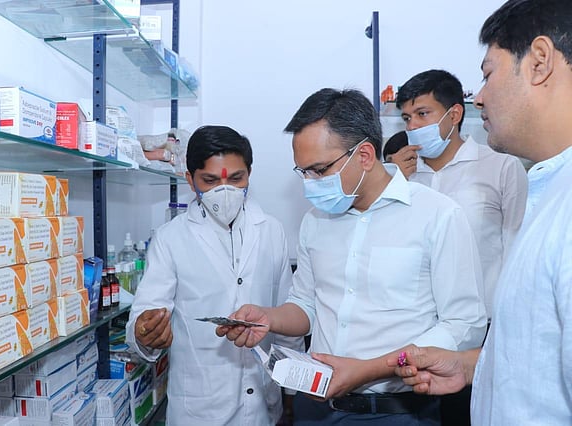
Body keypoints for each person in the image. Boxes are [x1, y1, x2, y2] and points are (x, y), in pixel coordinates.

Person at [217, 88, 487, 425]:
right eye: (303, 172)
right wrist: (269, 318)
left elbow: (463, 324)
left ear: (364, 155)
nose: (310, 184)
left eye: (319, 170)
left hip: (398, 412)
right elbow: (306, 305)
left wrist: (370, 369)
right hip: (316, 408)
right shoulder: (315, 221)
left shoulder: (437, 215)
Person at [391, 1, 572, 424]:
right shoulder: (552, 186)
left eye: (488, 74)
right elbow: (535, 350)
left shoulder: (528, 183)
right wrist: (472, 366)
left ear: (540, 61)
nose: (481, 96)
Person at [125, 125, 301, 426]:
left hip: (263, 403)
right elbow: (146, 316)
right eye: (210, 181)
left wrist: (292, 394)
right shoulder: (170, 238)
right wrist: (144, 332)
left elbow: (287, 315)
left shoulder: (271, 230)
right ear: (190, 179)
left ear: (249, 174)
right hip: (199, 409)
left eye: (236, 178)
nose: (225, 190)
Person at [392, 69, 528, 425]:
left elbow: (517, 251)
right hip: (416, 328)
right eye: (406, 118)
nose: (413, 125)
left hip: (483, 330)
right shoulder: (401, 177)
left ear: (454, 114)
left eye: (423, 113)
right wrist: (393, 186)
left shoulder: (500, 167)